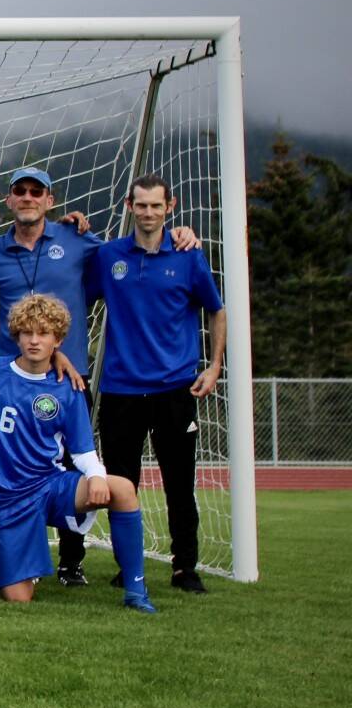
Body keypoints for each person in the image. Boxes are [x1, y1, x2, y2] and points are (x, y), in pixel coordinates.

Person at [0, 165, 199, 586]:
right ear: (8, 200)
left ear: (50, 200)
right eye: (19, 191)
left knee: (71, 467)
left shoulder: (77, 240)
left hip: (69, 378)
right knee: (7, 469)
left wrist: (179, 234)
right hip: (8, 380)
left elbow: (134, 249)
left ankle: (70, 562)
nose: (27, 198)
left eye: (36, 191)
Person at [0, 293, 158, 612]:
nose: (34, 340)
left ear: (57, 339)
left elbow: (83, 450)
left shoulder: (68, 387)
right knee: (18, 597)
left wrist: (97, 477)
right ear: (16, 335)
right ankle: (4, 560)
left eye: (43, 333)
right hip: (6, 497)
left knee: (122, 488)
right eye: (27, 332)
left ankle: (136, 591)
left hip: (50, 487)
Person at [90, 176, 226, 594]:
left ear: (171, 206)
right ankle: (127, 565)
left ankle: (185, 567)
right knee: (120, 485)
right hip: (120, 389)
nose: (148, 213)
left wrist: (215, 365)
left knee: (179, 484)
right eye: (141, 205)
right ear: (129, 205)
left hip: (174, 390)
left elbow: (216, 311)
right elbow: (77, 295)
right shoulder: (108, 255)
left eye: (156, 206)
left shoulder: (188, 256)